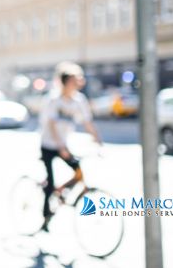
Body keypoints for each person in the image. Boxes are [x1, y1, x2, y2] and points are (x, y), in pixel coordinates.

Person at [38, 62, 102, 231]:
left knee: (78, 171)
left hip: (63, 145)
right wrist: (60, 147)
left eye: (78, 80)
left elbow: (87, 121)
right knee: (50, 182)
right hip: (49, 145)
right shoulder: (53, 100)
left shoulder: (79, 100)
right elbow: (51, 124)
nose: (77, 83)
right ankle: (45, 216)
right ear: (65, 82)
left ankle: (61, 191)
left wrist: (97, 139)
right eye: (74, 80)